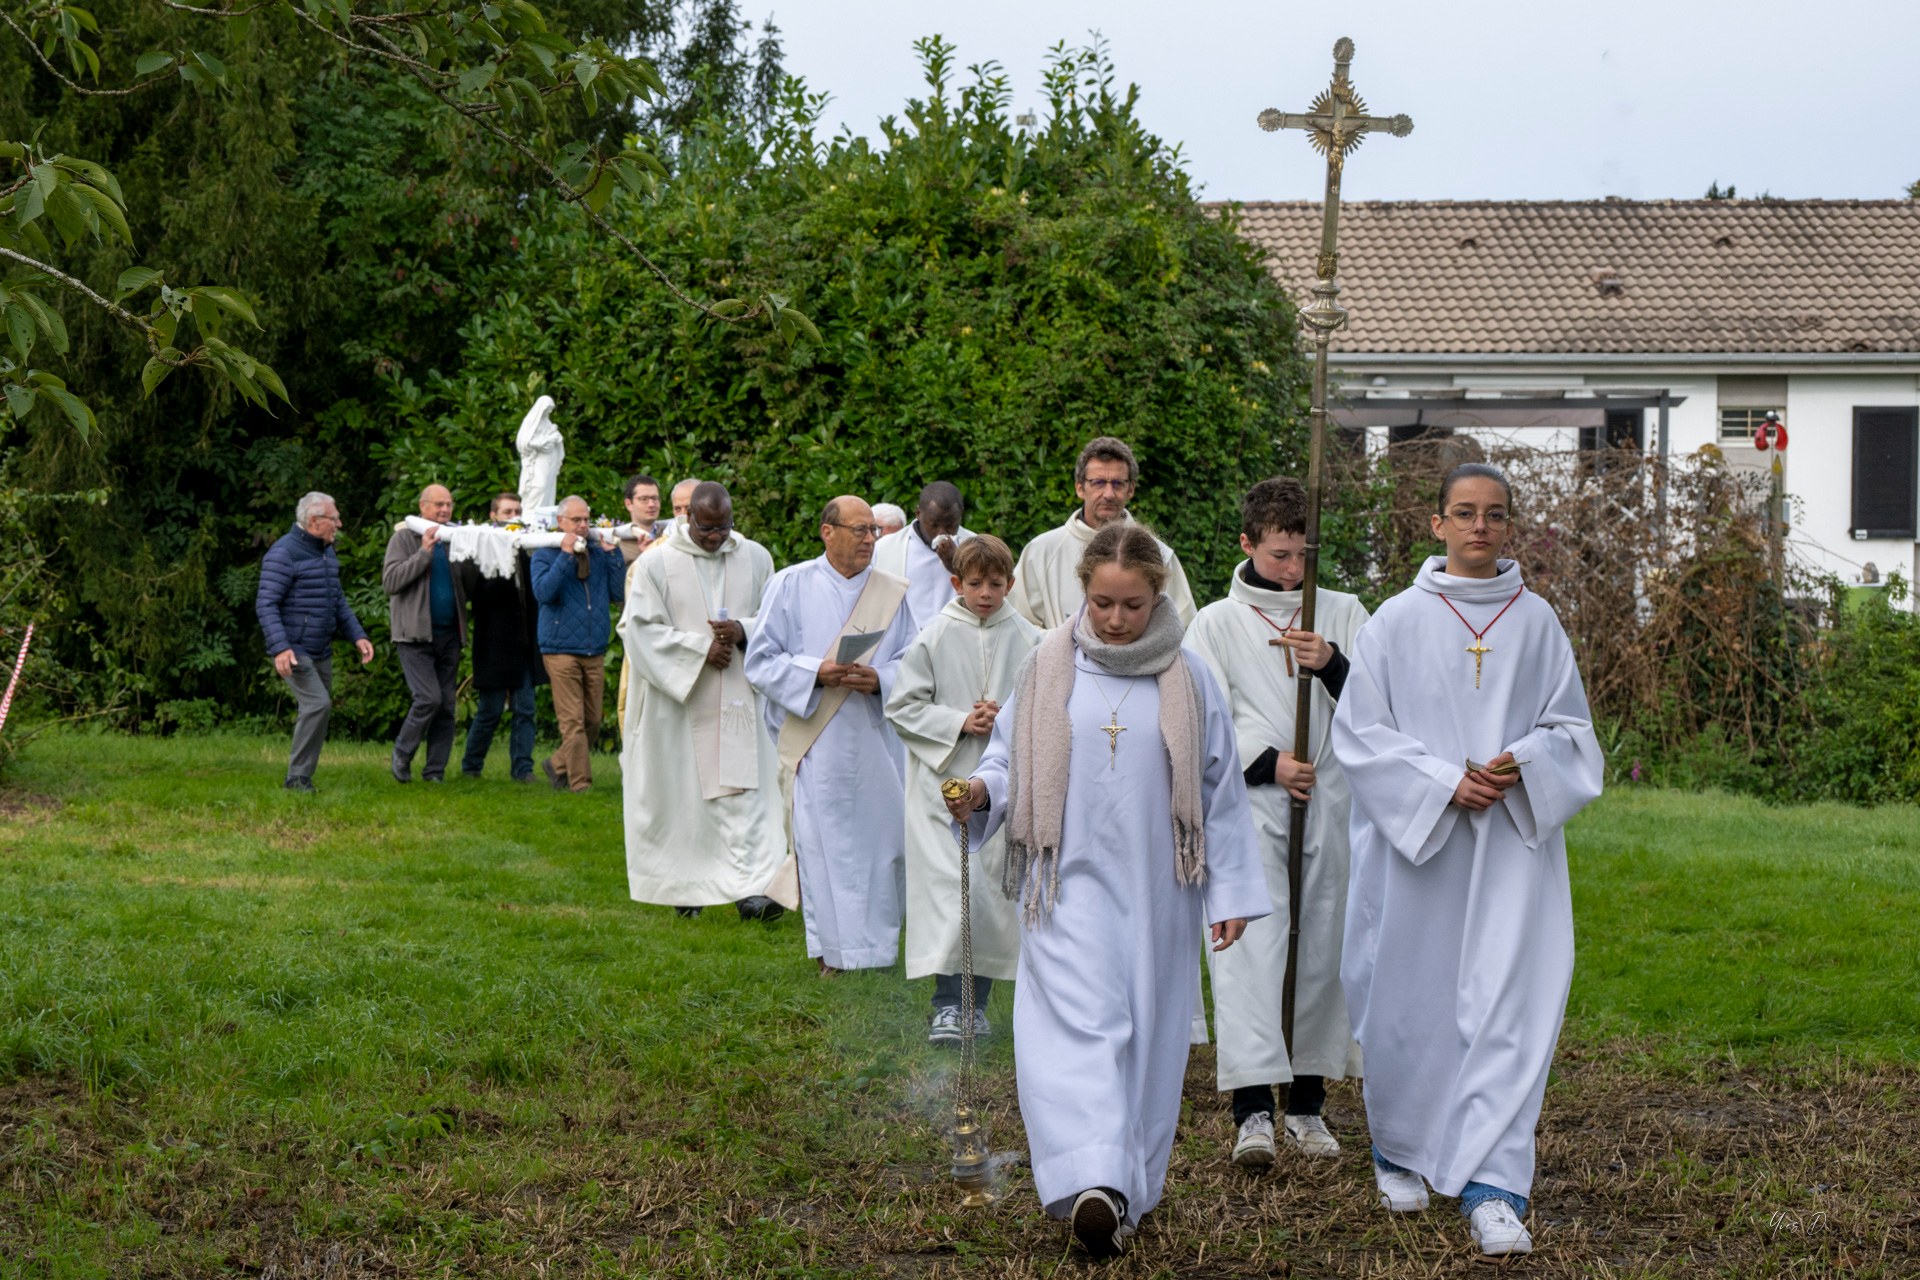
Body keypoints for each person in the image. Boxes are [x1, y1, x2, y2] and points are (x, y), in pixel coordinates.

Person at [945, 522, 1269, 1260]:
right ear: (1081, 595)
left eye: (1131, 605)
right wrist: (980, 797)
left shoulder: (1190, 676)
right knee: (1077, 1031)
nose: (1116, 620)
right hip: (1066, 883)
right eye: (1101, 604)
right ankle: (1094, 1182)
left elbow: (1216, 790)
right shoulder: (1047, 666)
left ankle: (1127, 1191)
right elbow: (1009, 763)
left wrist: (1229, 894)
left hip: (1161, 890)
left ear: (1157, 596)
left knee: (1149, 1038)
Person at [1331, 462, 1603, 1258]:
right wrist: (1447, 780)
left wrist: (1519, 763)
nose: (1479, 526)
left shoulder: (1539, 623)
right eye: (1464, 512)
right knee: (1407, 1000)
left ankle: (1494, 1185)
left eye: (1494, 514)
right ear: (1437, 524)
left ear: (1510, 525)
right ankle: (1401, 1150)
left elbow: (1573, 734)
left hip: (1514, 850)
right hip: (1420, 856)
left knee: (1509, 1006)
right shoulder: (1394, 623)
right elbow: (1361, 736)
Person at [1187, 478, 1368, 1168]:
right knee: (1252, 951)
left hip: (1330, 803)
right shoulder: (1216, 623)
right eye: (1279, 555)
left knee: (1322, 947)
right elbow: (1203, 719)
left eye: (1303, 556)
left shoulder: (1345, 613)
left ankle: (1310, 1103)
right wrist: (1266, 764)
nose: (1293, 572)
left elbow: (1384, 702)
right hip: (1250, 809)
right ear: (1247, 544)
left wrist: (1333, 666)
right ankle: (1253, 1109)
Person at [744, 496, 915, 974]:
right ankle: (832, 955)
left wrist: (880, 679)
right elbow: (760, 661)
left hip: (877, 739)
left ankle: (879, 952)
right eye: (859, 530)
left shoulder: (893, 592)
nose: (868, 539)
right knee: (824, 848)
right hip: (816, 740)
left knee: (885, 847)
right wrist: (816, 671)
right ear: (827, 531)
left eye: (873, 532)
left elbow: (916, 662)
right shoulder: (790, 584)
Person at [884, 535, 1039, 1044]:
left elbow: (1049, 709)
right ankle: (947, 1005)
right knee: (952, 896)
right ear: (957, 583)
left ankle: (978, 1007)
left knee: (992, 899)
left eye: (997, 584)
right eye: (976, 584)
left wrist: (1006, 721)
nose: (987, 594)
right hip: (943, 787)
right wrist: (959, 721)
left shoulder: (1034, 640)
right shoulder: (933, 635)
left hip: (1004, 788)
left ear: (1011, 584)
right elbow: (903, 706)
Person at [620, 482, 790, 922]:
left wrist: (741, 630)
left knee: (747, 796)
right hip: (682, 703)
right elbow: (638, 629)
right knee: (687, 799)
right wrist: (699, 652)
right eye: (705, 528)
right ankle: (686, 886)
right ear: (688, 518)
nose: (715, 537)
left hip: (738, 694)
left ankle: (754, 891)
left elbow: (776, 617)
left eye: (722, 528)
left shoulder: (755, 556)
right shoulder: (656, 562)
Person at [1008, 437, 1197, 629]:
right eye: (1098, 482)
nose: (1108, 494)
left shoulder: (1159, 555)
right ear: (1080, 488)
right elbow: (1020, 628)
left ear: (1130, 489)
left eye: (1117, 483)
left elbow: (1181, 627)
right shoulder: (1040, 552)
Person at [256, 492, 374, 791]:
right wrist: (281, 648)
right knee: (317, 705)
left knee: (318, 709)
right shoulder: (284, 553)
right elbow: (266, 604)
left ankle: (302, 775)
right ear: (314, 521)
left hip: (321, 647)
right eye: (334, 519)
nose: (340, 524)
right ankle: (296, 778)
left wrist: (358, 635)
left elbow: (337, 600)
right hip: (294, 648)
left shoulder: (325, 551)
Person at [530, 495, 626, 792]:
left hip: (593, 647)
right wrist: (565, 556)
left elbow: (618, 592)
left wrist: (612, 557)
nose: (583, 525)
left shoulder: (598, 552)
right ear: (560, 522)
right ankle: (580, 784)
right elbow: (544, 593)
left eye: (586, 519)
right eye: (576, 520)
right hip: (559, 649)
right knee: (573, 723)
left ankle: (557, 764)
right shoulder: (544, 553)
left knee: (593, 721)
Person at [382, 483, 468, 783]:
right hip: (414, 635)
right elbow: (391, 581)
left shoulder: (454, 537)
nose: (444, 510)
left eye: (448, 504)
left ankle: (434, 772)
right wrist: (423, 554)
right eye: (438, 504)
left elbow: (466, 584)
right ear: (423, 506)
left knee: (446, 705)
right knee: (428, 698)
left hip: (450, 635)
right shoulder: (404, 537)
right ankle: (402, 753)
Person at [459, 492, 543, 782]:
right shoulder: (481, 550)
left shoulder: (529, 548)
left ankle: (523, 770)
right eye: (507, 512)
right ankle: (471, 767)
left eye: (518, 511)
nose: (514, 516)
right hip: (494, 645)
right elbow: (477, 596)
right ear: (493, 516)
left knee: (526, 710)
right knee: (490, 711)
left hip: (523, 644)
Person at [873, 481, 974, 634]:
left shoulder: (976, 546)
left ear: (960, 514)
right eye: (934, 525)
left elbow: (991, 596)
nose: (941, 532)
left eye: (950, 525)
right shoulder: (885, 548)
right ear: (918, 514)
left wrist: (956, 566)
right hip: (904, 650)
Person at [619, 473, 664, 564]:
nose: (651, 504)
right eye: (644, 499)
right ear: (629, 504)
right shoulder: (618, 545)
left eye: (655, 498)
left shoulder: (669, 536)